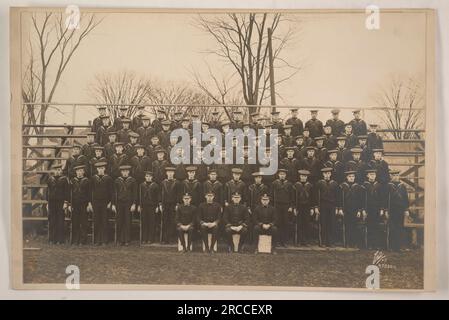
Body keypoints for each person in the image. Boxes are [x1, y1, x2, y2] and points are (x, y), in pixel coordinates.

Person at [112, 165, 137, 246]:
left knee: (127, 221)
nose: (125, 173)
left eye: (126, 171)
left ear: (128, 172)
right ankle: (120, 239)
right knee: (120, 221)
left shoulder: (132, 180)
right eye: (123, 171)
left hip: (128, 203)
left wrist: (134, 204)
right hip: (119, 203)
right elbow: (114, 193)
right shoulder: (117, 181)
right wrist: (113, 204)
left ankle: (127, 239)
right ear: (121, 172)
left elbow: (135, 193)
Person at [90, 161, 113, 245]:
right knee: (96, 221)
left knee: (104, 220)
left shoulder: (108, 178)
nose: (100, 170)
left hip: (105, 203)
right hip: (96, 202)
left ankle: (104, 240)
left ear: (104, 169)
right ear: (97, 169)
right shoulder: (93, 178)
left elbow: (111, 192)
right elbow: (90, 191)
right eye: (99, 168)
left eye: (102, 168)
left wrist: (110, 202)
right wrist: (90, 203)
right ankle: (96, 239)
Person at [339, 171, 364, 248]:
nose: (351, 178)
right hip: (346, 209)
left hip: (355, 209)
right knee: (347, 226)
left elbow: (360, 200)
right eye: (350, 176)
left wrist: (359, 210)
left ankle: (353, 243)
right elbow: (339, 199)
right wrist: (340, 209)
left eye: (353, 176)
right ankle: (346, 242)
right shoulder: (342, 186)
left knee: (354, 226)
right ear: (347, 177)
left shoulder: (358, 187)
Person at [386, 169, 410, 251]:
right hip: (392, 210)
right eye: (394, 175)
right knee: (392, 228)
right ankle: (392, 246)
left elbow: (405, 198)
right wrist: (386, 210)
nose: (396, 177)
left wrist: (406, 209)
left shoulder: (402, 186)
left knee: (400, 227)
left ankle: (399, 246)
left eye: (397, 175)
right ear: (391, 176)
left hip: (400, 210)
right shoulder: (388, 186)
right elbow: (385, 199)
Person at [315, 167, 339, 247]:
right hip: (323, 205)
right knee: (323, 223)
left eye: (328, 173)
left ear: (331, 174)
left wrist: (337, 208)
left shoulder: (334, 184)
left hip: (332, 205)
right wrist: (316, 207)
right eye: (325, 173)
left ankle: (330, 242)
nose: (327, 175)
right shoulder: (319, 183)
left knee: (331, 223)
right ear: (323, 174)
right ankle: (323, 242)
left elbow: (337, 197)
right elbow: (316, 196)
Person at [68, 165, 91, 245]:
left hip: (84, 204)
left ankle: (83, 240)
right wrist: (70, 204)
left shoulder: (87, 181)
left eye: (81, 171)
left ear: (83, 172)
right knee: (75, 222)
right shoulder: (72, 181)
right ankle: (75, 239)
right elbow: (69, 194)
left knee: (83, 222)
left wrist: (89, 204)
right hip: (75, 204)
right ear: (76, 172)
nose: (80, 172)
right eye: (78, 171)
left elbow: (89, 193)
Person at [363, 169, 385, 250]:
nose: (372, 176)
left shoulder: (378, 185)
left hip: (376, 209)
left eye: (374, 175)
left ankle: (376, 244)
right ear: (367, 176)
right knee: (369, 226)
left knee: (376, 226)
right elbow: (362, 199)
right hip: (368, 209)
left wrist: (382, 209)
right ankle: (369, 244)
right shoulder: (364, 185)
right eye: (371, 174)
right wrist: (363, 210)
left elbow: (382, 198)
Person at [47, 163, 69, 244]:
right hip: (52, 202)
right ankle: (52, 239)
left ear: (61, 171)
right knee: (52, 220)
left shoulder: (64, 180)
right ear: (53, 171)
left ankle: (60, 239)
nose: (57, 171)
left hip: (61, 203)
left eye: (59, 170)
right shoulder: (50, 179)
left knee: (60, 220)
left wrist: (66, 203)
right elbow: (48, 192)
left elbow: (67, 192)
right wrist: (47, 203)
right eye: (56, 170)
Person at [272, 169, 294, 246]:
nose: (282, 175)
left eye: (283, 174)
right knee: (277, 222)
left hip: (286, 206)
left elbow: (292, 196)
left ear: (286, 175)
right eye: (280, 174)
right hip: (277, 206)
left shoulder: (289, 184)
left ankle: (284, 241)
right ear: (278, 175)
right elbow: (271, 196)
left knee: (285, 223)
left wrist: (291, 206)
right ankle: (277, 241)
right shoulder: (274, 183)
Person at [138, 171, 161, 244]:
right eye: (147, 176)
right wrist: (139, 205)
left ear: (152, 177)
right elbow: (139, 196)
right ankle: (144, 238)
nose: (148, 178)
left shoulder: (155, 186)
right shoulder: (141, 185)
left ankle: (151, 239)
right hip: (144, 206)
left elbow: (157, 197)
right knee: (144, 222)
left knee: (152, 222)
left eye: (150, 176)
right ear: (145, 177)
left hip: (152, 206)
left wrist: (157, 206)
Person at [160, 167, 182, 244]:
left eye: (171, 173)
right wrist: (160, 204)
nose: (170, 174)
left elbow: (179, 194)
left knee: (173, 221)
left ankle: (172, 239)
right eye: (168, 172)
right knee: (165, 221)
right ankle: (165, 239)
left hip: (173, 204)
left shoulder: (177, 182)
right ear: (166, 173)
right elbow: (161, 194)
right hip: (165, 204)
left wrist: (177, 204)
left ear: (173, 173)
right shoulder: (163, 182)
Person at [293, 170, 314, 246]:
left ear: (307, 177)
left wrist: (312, 208)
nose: (303, 177)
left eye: (305, 176)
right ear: (300, 176)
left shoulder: (310, 186)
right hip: (299, 207)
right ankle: (298, 240)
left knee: (306, 223)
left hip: (307, 207)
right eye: (302, 176)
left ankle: (305, 241)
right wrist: (294, 208)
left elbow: (312, 198)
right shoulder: (296, 185)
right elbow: (294, 197)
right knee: (299, 223)